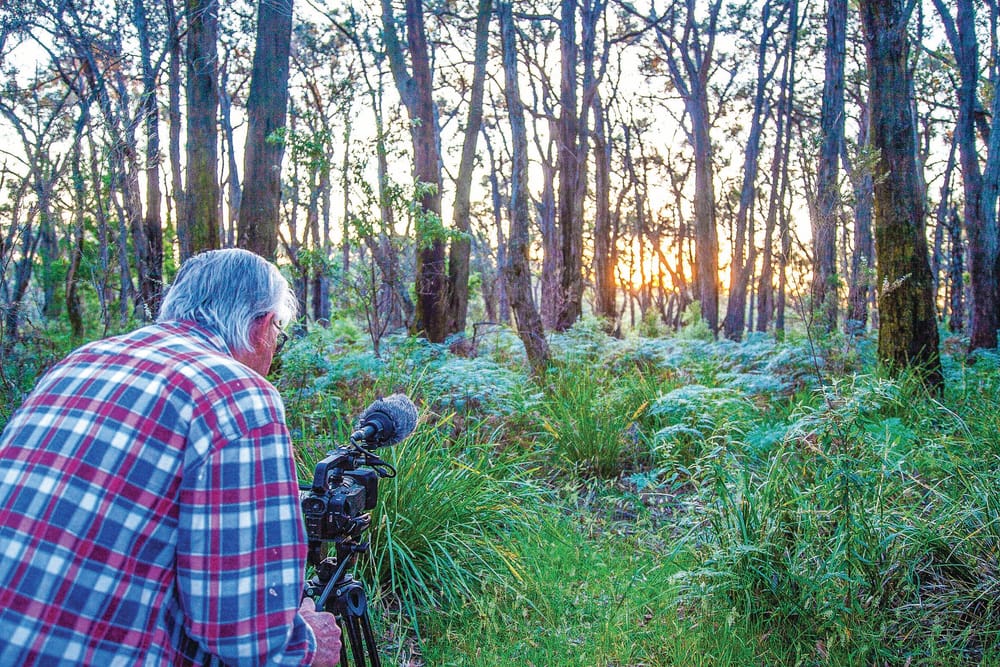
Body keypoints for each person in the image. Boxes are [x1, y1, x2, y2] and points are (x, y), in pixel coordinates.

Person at [0, 248, 342, 665]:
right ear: (261, 326)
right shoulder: (237, 393)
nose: (274, 350)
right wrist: (308, 645)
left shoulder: (80, 361)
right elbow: (247, 638)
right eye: (278, 334)